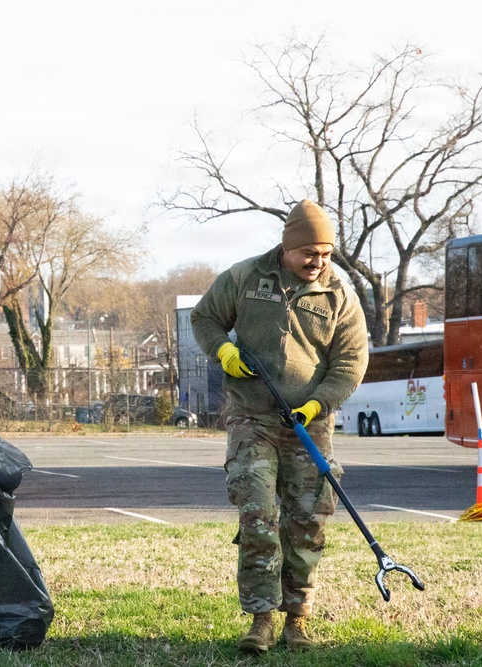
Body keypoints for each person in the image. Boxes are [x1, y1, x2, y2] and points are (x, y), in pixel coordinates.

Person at [190, 199, 368, 653]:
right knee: (258, 517)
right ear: (288, 246)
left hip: (309, 425)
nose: (318, 262)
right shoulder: (246, 278)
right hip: (252, 419)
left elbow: (350, 364)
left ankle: (298, 619)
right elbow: (205, 318)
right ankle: (261, 619)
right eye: (310, 252)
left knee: (307, 522)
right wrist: (223, 352)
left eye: (326, 254)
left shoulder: (340, 296)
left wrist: (315, 405)